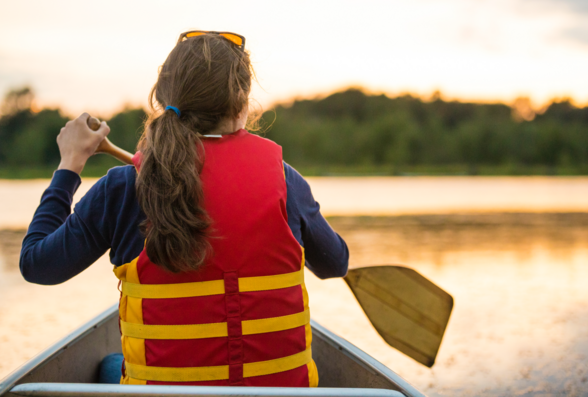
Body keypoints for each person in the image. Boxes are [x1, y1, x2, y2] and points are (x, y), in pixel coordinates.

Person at [20, 31, 349, 387]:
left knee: (111, 363)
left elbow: (38, 266)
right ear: (242, 103)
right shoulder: (286, 181)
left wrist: (69, 165)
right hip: (280, 396)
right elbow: (335, 264)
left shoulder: (121, 188)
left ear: (162, 97)